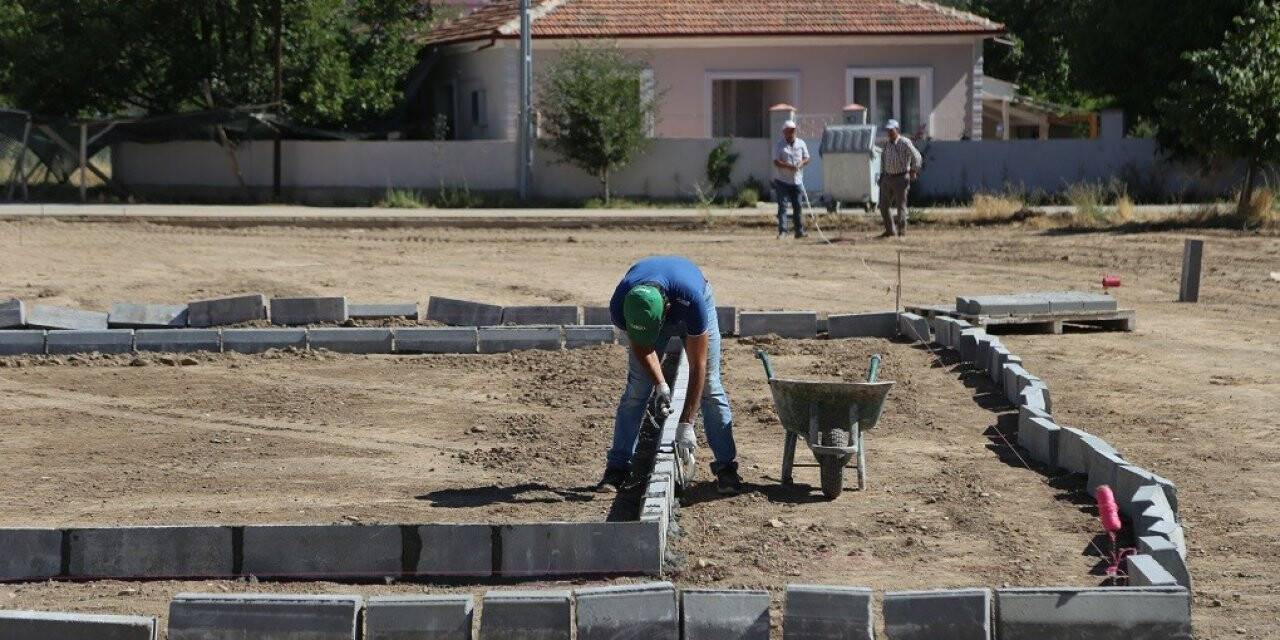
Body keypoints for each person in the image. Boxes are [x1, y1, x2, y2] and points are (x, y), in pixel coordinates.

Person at [597, 255, 741, 495]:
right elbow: (641, 344)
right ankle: (617, 468)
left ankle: (726, 468)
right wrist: (660, 384)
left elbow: (698, 366)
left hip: (693, 298)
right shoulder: (622, 304)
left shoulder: (691, 301)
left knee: (711, 387)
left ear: (666, 311)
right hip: (651, 309)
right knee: (636, 390)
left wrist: (686, 423)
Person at [877, 119, 923, 237]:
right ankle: (890, 231)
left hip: (901, 178)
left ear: (897, 130)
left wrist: (913, 170)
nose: (889, 133)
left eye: (891, 130)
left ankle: (901, 233)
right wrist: (881, 176)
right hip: (887, 178)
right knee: (883, 206)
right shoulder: (886, 144)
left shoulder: (905, 142)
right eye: (888, 130)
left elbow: (917, 156)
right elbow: (883, 161)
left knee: (900, 207)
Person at [772, 120, 810, 239]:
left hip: (797, 181)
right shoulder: (779, 145)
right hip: (782, 181)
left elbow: (807, 158)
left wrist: (801, 163)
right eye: (789, 130)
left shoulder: (801, 143)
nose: (792, 132)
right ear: (784, 132)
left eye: (793, 130)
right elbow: (776, 162)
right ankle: (783, 231)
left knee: (798, 206)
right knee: (783, 207)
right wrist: (789, 166)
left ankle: (799, 231)